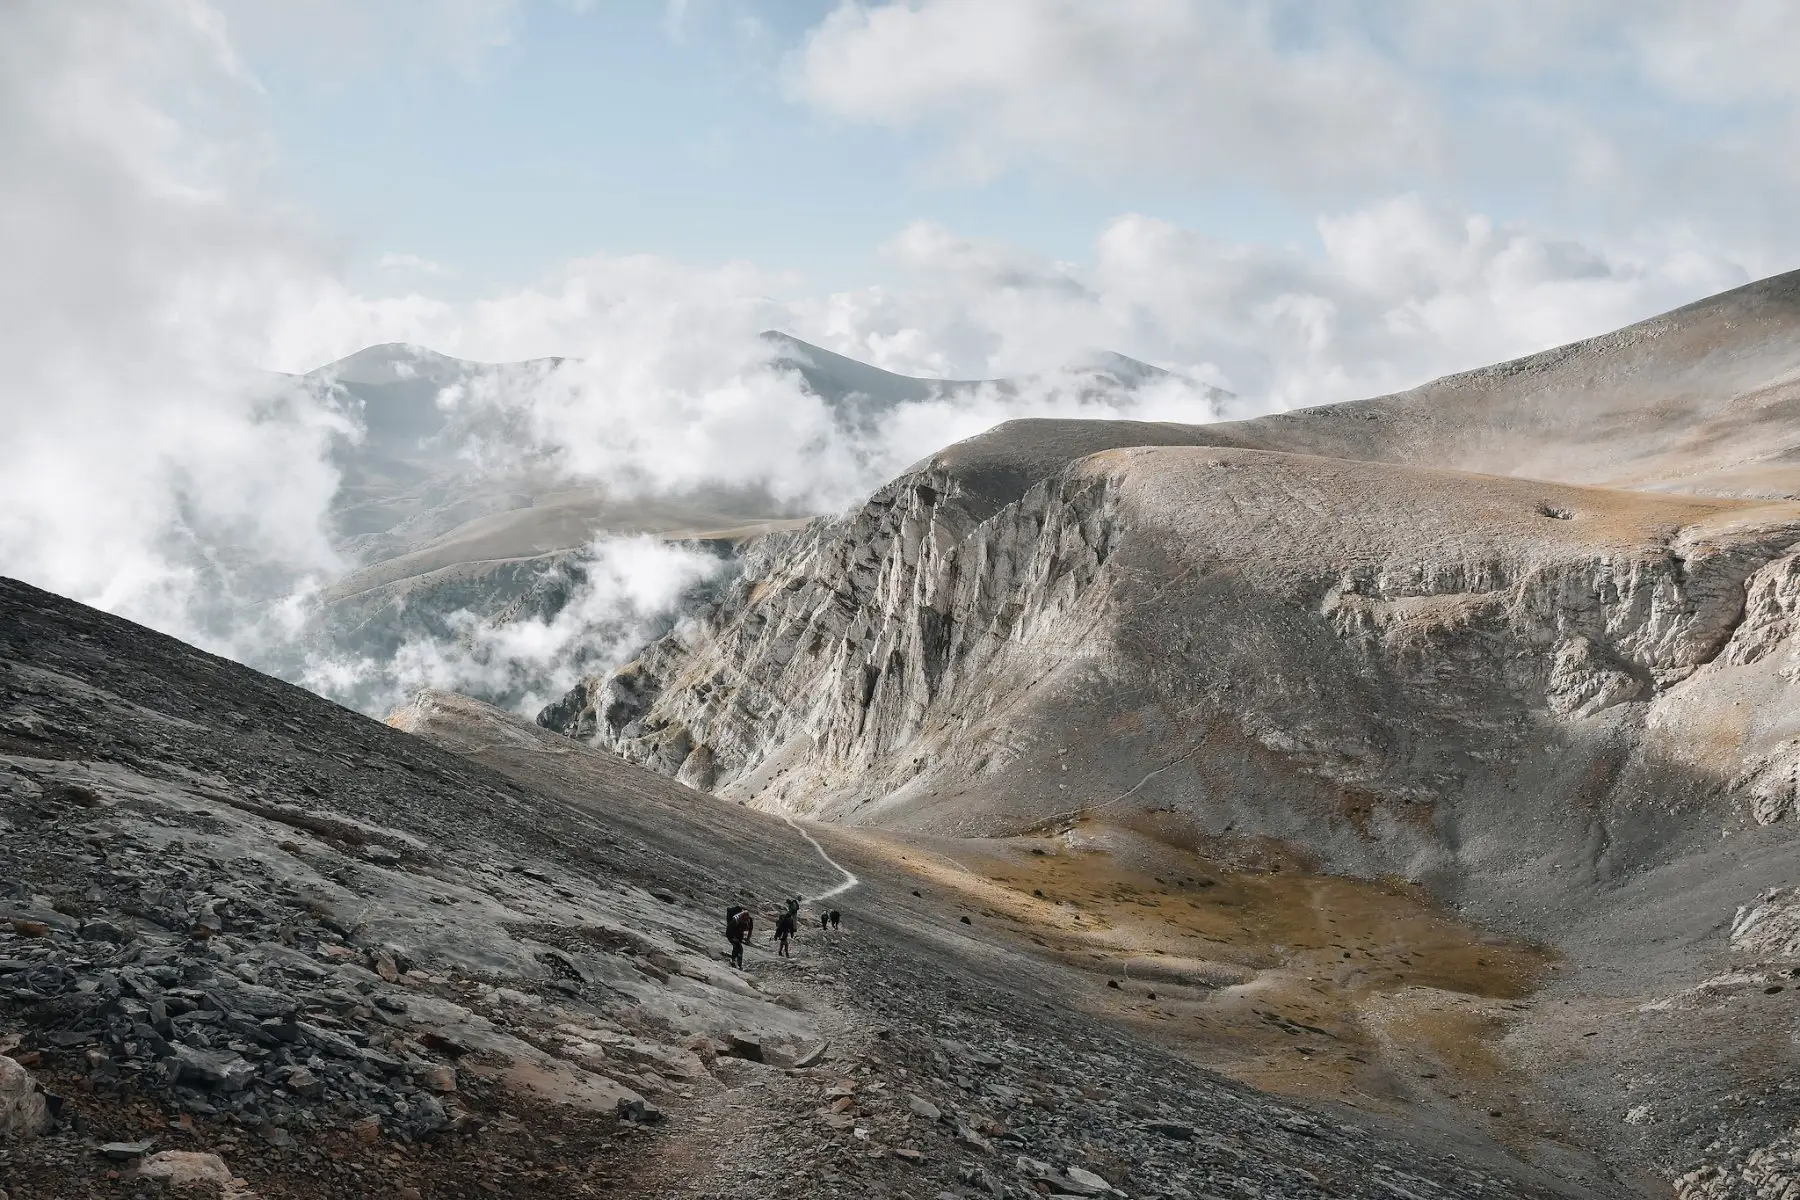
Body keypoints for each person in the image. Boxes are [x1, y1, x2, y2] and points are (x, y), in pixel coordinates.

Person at [726, 905, 753, 969]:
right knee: (738, 947)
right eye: (743, 920)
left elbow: (750, 930)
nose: (745, 921)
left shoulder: (749, 921)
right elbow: (728, 931)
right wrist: (733, 938)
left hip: (739, 934)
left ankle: (736, 962)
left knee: (738, 948)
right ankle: (735, 962)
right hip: (732, 934)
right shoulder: (735, 920)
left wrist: (747, 939)